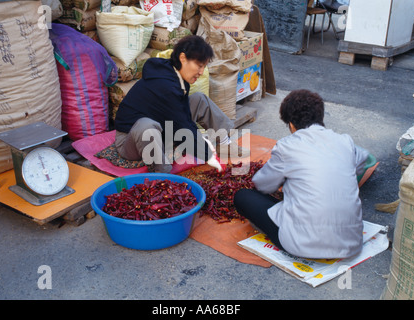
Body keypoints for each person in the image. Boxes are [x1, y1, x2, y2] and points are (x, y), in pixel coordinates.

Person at [234, 89, 369, 259]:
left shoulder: (287, 146)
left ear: (291, 124)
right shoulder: (345, 141)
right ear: (321, 118)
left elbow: (263, 185)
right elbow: (363, 157)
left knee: (243, 197)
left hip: (303, 244)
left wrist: (285, 180)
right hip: (351, 242)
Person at [114, 35, 249, 173]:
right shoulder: (165, 86)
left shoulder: (176, 74)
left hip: (161, 127)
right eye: (199, 65)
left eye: (204, 67)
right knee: (147, 126)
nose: (201, 72)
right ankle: (163, 173)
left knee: (199, 99)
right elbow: (181, 125)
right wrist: (207, 154)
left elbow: (182, 114)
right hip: (130, 140)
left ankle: (225, 144)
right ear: (183, 58)